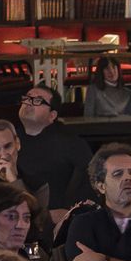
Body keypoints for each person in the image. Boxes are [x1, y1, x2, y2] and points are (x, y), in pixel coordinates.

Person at [16, 83, 92, 231]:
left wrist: (69, 212)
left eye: (37, 100)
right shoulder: (9, 139)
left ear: (52, 115)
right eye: (27, 98)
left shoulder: (70, 143)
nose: (29, 103)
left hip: (59, 223)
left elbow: (89, 180)